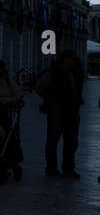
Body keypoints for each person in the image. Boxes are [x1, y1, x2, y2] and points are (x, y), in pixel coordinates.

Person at [36, 50, 83, 179]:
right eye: (73, 60)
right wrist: (50, 100)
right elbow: (39, 86)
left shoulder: (75, 73)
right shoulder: (52, 72)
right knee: (53, 141)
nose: (75, 63)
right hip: (57, 111)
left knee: (72, 142)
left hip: (73, 111)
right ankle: (51, 168)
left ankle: (68, 169)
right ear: (66, 60)